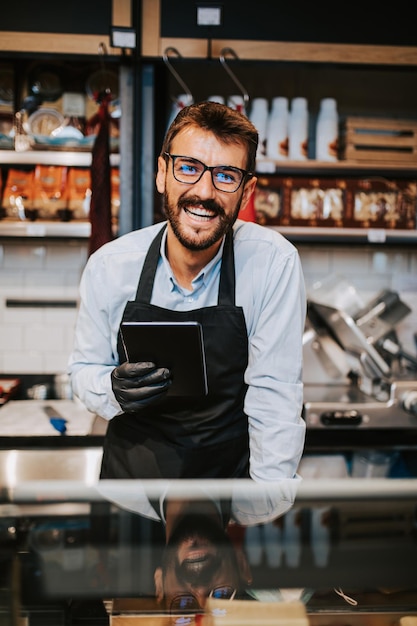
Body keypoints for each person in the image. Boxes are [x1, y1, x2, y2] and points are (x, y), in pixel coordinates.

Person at [68, 100, 306, 482]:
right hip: (134, 487)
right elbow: (82, 372)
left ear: (246, 193)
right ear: (163, 173)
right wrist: (112, 389)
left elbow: (275, 397)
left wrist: (263, 506)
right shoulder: (111, 266)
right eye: (189, 168)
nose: (205, 192)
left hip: (227, 488)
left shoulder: (273, 263)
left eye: (226, 175)